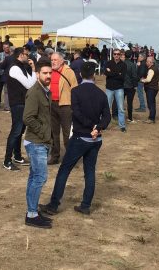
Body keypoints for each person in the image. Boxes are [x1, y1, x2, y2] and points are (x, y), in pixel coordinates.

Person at [40, 61, 111, 217]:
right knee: (90, 171)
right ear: (94, 75)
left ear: (80, 75)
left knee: (64, 170)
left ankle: (53, 205)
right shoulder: (101, 94)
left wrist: (91, 127)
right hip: (95, 139)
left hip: (81, 137)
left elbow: (77, 113)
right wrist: (98, 128)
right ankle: (85, 205)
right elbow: (107, 116)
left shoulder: (76, 92)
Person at [23, 59, 54, 228]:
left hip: (39, 141)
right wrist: (43, 132)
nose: (48, 75)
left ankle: (32, 210)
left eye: (50, 73)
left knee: (34, 176)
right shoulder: (35, 92)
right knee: (40, 177)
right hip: (36, 142)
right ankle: (32, 215)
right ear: (37, 74)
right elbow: (27, 117)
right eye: (45, 73)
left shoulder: (44, 90)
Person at [3, 47, 35, 171]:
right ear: (21, 55)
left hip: (22, 103)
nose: (28, 56)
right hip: (18, 104)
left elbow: (30, 82)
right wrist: (33, 69)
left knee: (20, 131)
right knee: (16, 131)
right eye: (27, 54)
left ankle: (17, 156)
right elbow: (30, 84)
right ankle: (7, 160)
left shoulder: (21, 66)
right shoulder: (15, 68)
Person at [48, 51, 78, 165]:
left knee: (67, 133)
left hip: (65, 105)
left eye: (55, 60)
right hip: (52, 105)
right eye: (51, 60)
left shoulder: (68, 72)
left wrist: (75, 106)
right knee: (53, 133)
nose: (53, 62)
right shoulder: (50, 71)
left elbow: (75, 89)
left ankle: (70, 158)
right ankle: (55, 156)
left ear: (61, 60)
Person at [104, 49, 126, 131]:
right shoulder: (108, 63)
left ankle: (122, 126)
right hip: (109, 88)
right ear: (113, 55)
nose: (116, 55)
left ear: (120, 55)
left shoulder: (123, 65)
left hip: (119, 88)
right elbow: (106, 73)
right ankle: (104, 125)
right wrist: (117, 73)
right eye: (115, 54)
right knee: (107, 107)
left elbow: (122, 77)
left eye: (118, 54)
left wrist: (111, 72)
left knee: (120, 108)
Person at [139, 56, 159, 124]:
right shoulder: (154, 68)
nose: (146, 63)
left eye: (147, 61)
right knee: (152, 103)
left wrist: (142, 80)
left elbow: (148, 79)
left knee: (150, 103)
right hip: (154, 88)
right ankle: (151, 117)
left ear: (151, 62)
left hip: (151, 88)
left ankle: (151, 118)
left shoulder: (151, 69)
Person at [122, 50, 137, 123]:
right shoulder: (132, 65)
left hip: (122, 86)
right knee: (129, 103)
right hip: (130, 86)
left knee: (121, 102)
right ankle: (130, 118)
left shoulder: (121, 63)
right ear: (131, 56)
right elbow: (134, 76)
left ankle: (120, 117)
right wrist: (135, 85)